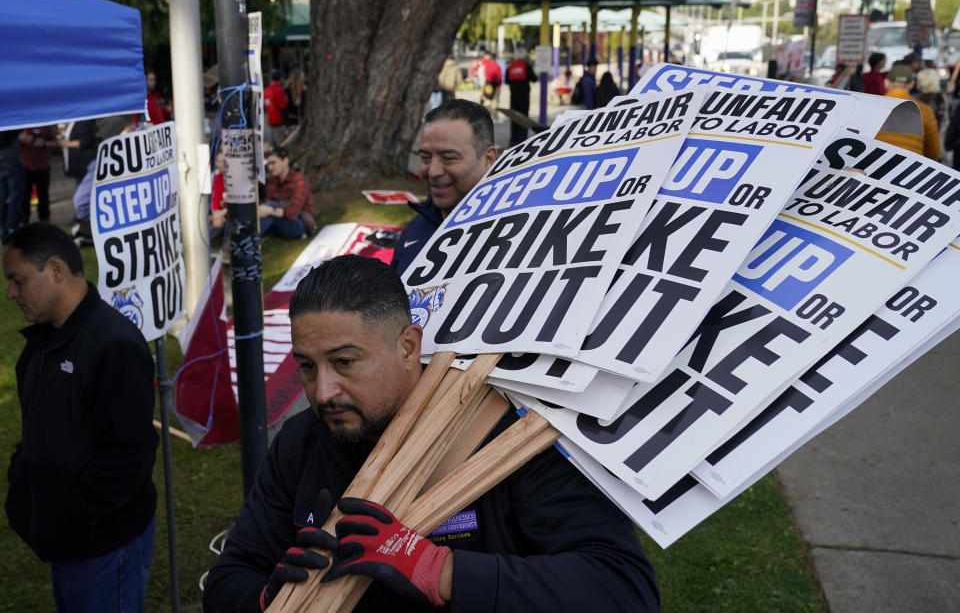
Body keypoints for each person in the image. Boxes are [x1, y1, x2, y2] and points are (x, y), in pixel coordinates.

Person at [202, 254, 660, 613]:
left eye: (344, 363)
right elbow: (228, 579)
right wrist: (267, 598)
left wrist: (440, 570)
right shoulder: (301, 442)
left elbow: (623, 590)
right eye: (306, 366)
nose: (322, 392)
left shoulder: (510, 439)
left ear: (408, 347)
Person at [3, 223, 158, 612]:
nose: (10, 293)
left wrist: (75, 515)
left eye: (18, 280)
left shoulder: (113, 345)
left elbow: (129, 457)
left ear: (55, 270)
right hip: (67, 537)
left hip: (102, 544)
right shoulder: (41, 344)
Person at [391, 100, 498, 276]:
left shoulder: (517, 234)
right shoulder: (416, 228)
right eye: (425, 157)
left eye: (448, 158)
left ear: (488, 159)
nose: (433, 171)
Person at [876, 64, 941, 161]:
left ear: (886, 82)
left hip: (874, 170)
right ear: (911, 84)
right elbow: (934, 153)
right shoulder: (925, 111)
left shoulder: (870, 106)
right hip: (911, 171)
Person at [260, 146, 316, 239]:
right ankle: (245, 239)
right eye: (268, 164)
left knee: (269, 207)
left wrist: (270, 210)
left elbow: (292, 212)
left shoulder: (299, 181)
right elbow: (267, 202)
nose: (270, 167)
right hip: (280, 221)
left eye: (273, 163)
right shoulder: (273, 181)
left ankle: (248, 240)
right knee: (257, 205)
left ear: (285, 161)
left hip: (300, 225)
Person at [506, 50, 537, 146]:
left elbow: (507, 81)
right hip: (524, 98)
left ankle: (513, 140)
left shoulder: (510, 67)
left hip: (513, 98)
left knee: (514, 118)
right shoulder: (526, 66)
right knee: (523, 119)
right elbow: (534, 79)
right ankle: (522, 141)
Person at [0, 128, 25, 238]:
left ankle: (3, 227)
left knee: (2, 194)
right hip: (9, 155)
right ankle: (11, 226)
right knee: (15, 194)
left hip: (5, 156)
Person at [264, 70, 289, 149]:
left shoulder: (266, 90)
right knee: (281, 142)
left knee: (272, 143)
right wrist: (287, 122)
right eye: (283, 78)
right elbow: (283, 107)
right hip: (279, 119)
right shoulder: (278, 90)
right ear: (280, 79)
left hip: (270, 119)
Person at [479, 50, 502, 119]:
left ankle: (486, 115)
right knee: (495, 101)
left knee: (488, 100)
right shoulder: (496, 66)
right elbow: (499, 76)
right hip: (496, 86)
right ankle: (495, 116)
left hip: (488, 84)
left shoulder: (487, 65)